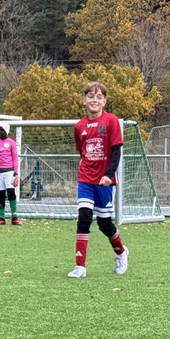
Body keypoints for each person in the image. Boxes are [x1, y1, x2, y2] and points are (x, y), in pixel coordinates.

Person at [68, 82, 127, 278]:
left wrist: (108, 175)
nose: (95, 100)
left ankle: (121, 252)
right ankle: (80, 266)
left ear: (104, 101)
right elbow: (82, 153)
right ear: (84, 100)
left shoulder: (111, 121)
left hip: (104, 182)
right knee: (84, 219)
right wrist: (88, 172)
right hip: (85, 180)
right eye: (91, 96)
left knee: (104, 224)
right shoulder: (79, 126)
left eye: (99, 97)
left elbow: (116, 151)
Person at [0, 122, 21, 225]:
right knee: (0, 195)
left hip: (9, 172)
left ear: (6, 131)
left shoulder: (11, 143)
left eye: (2, 130)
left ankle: (14, 217)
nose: (0, 132)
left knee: (11, 193)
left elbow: (15, 158)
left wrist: (16, 173)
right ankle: (2, 218)